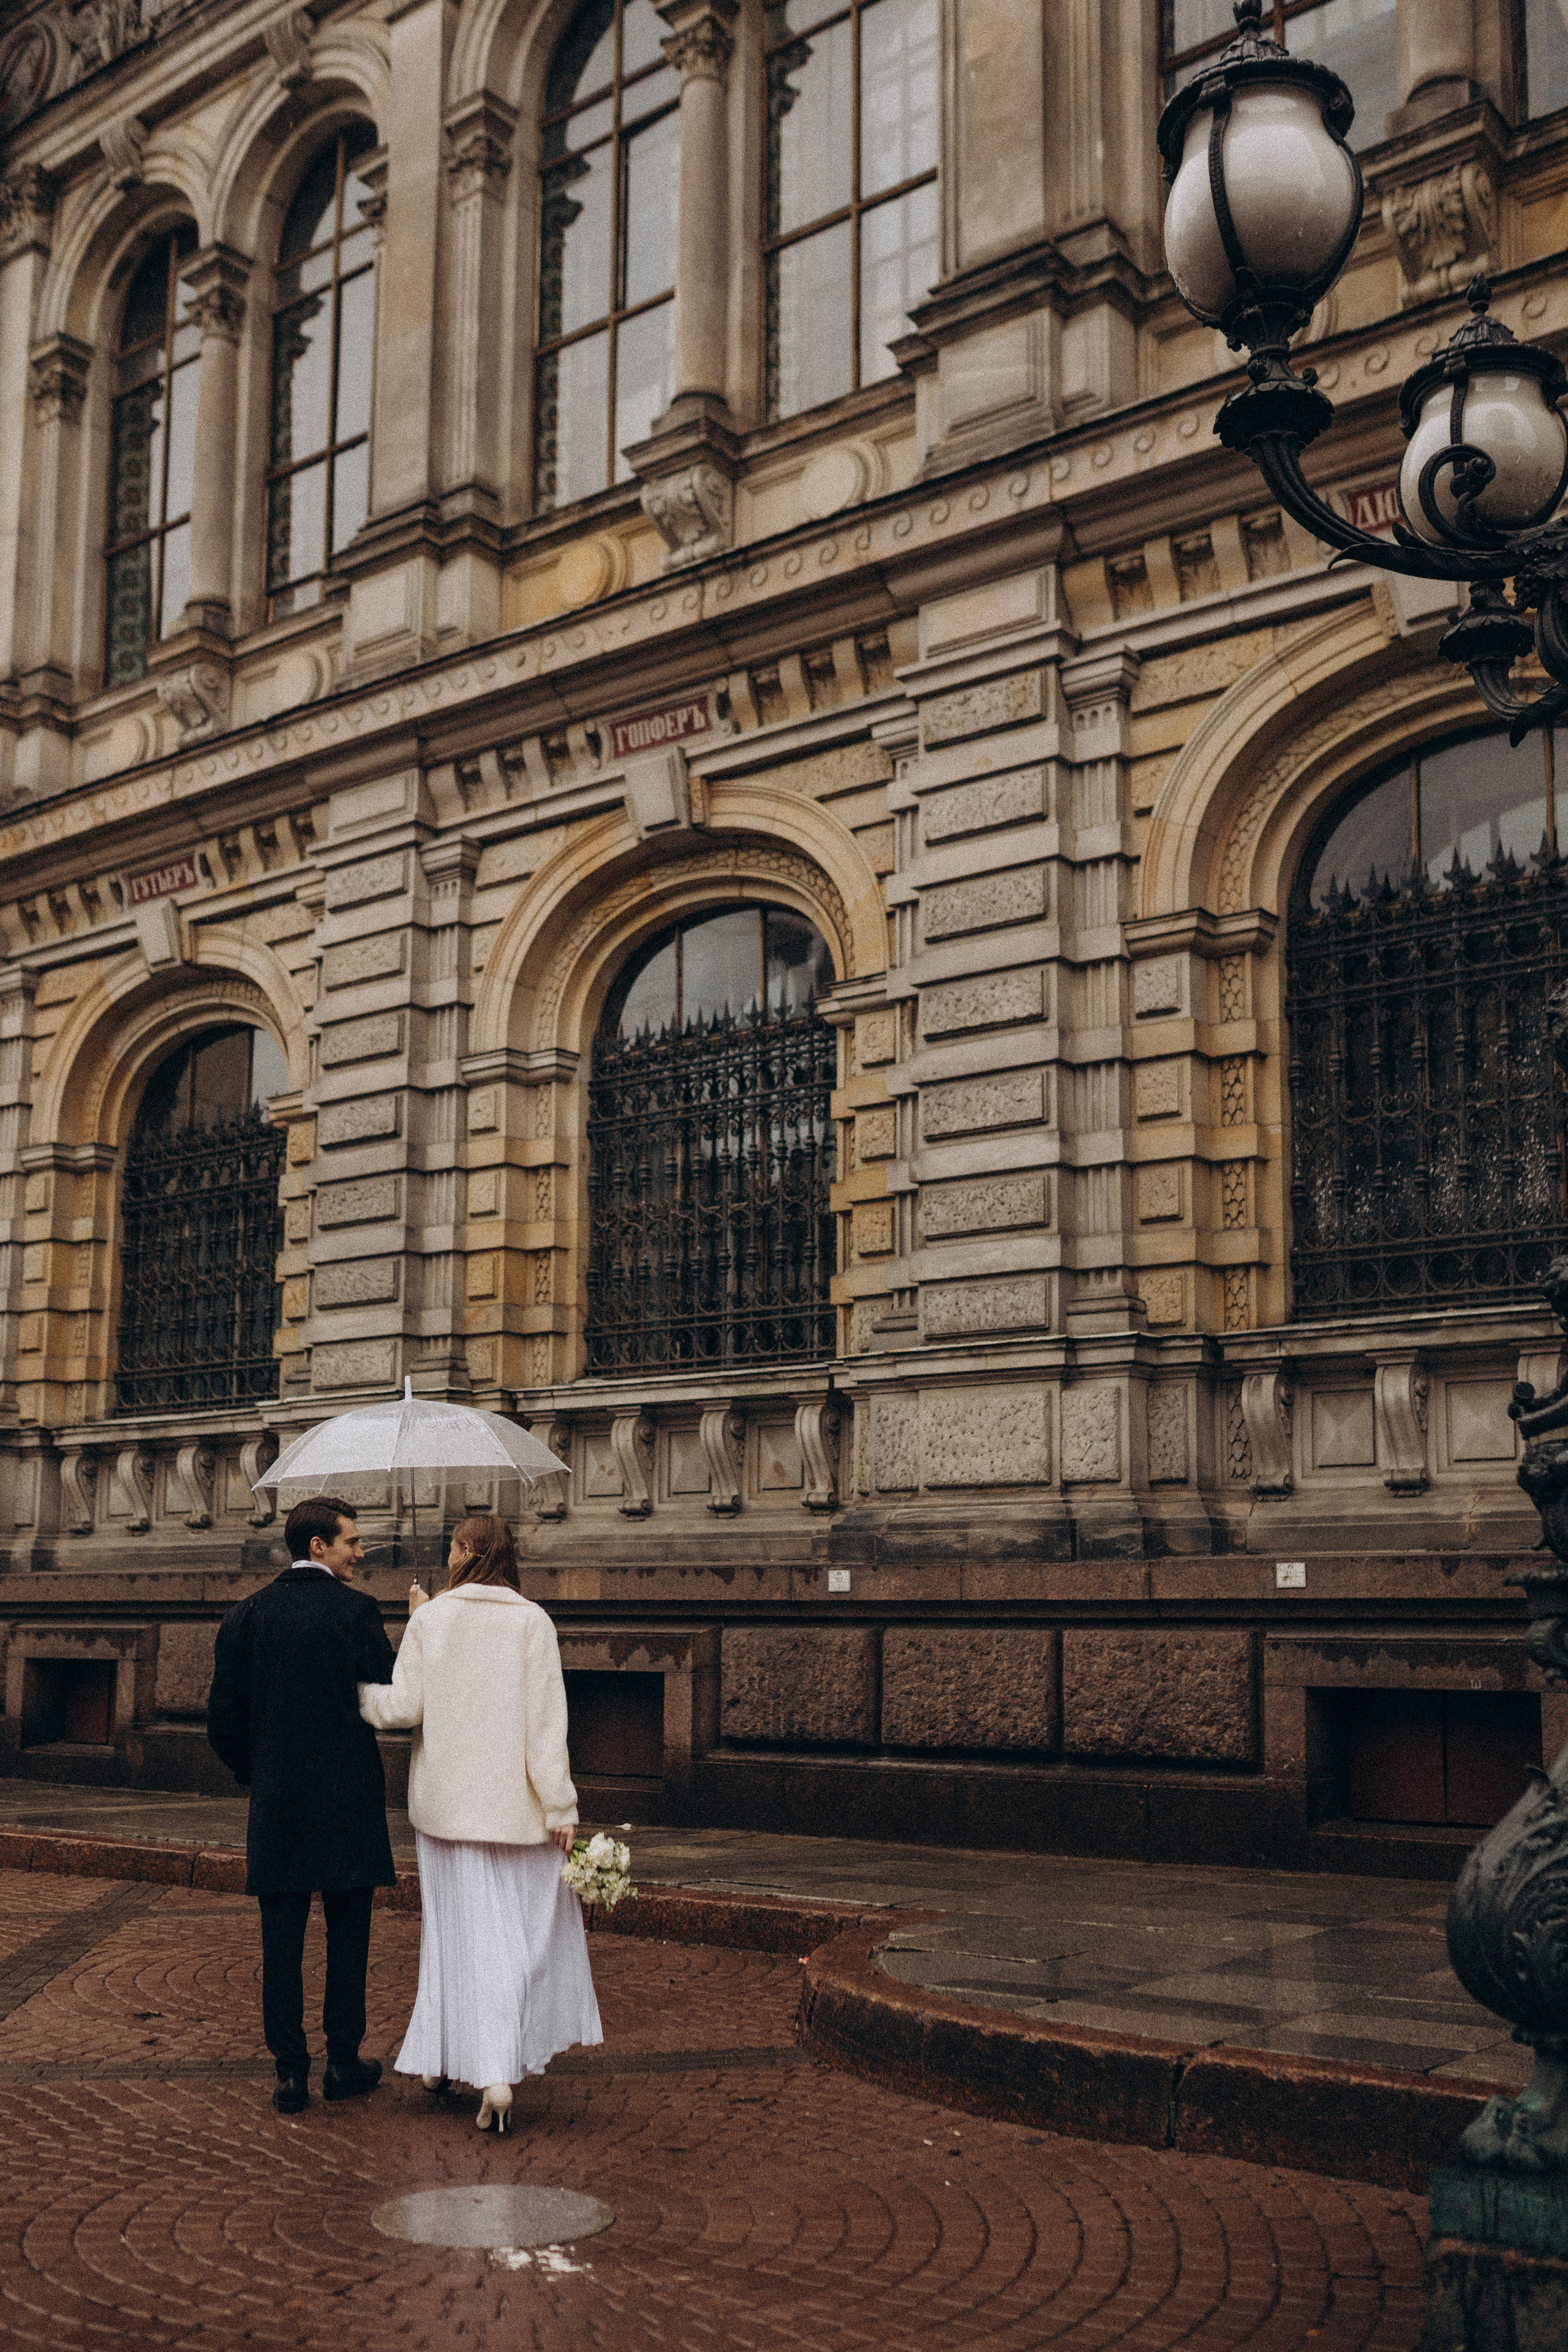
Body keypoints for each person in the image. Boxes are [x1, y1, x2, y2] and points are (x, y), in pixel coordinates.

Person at [358, 1513, 602, 2132]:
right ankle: (447, 2058)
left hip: (447, 1812)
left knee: (455, 1940)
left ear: (466, 1551)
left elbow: (402, 1708)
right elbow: (548, 1727)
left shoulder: (432, 1619)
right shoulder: (532, 1621)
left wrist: (360, 1692)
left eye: (453, 1547)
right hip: (518, 1812)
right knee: (512, 1940)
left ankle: (491, 2071)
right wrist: (560, 1806)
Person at [207, 1494, 397, 2115]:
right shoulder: (358, 1610)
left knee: (281, 1939)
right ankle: (343, 2061)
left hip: (280, 1798)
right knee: (349, 1936)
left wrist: (257, 1771)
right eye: (351, 1541)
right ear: (318, 1545)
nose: (361, 1552)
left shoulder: (247, 1615)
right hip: (348, 1799)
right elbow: (389, 1688)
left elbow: (223, 1720)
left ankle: (291, 2071)